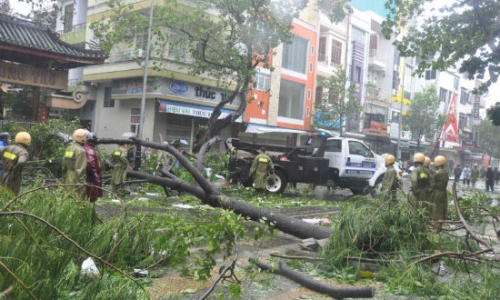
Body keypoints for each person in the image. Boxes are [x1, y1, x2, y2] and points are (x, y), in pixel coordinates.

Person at [62, 129, 88, 196]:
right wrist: (82, 184)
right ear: (83, 139)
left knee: (67, 197)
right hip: (76, 179)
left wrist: (64, 175)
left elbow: (63, 164)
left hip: (68, 176)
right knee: (77, 199)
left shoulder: (69, 148)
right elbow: (80, 169)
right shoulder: (81, 151)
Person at [431, 155, 449, 230]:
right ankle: (440, 226)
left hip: (437, 193)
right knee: (442, 208)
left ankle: (436, 227)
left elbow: (431, 182)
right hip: (443, 193)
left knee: (435, 209)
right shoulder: (445, 173)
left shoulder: (438, 173)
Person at [83, 132, 102, 203]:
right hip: (91, 179)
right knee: (91, 195)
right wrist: (95, 175)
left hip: (88, 177)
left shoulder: (85, 148)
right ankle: (90, 211)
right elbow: (91, 162)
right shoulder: (89, 150)